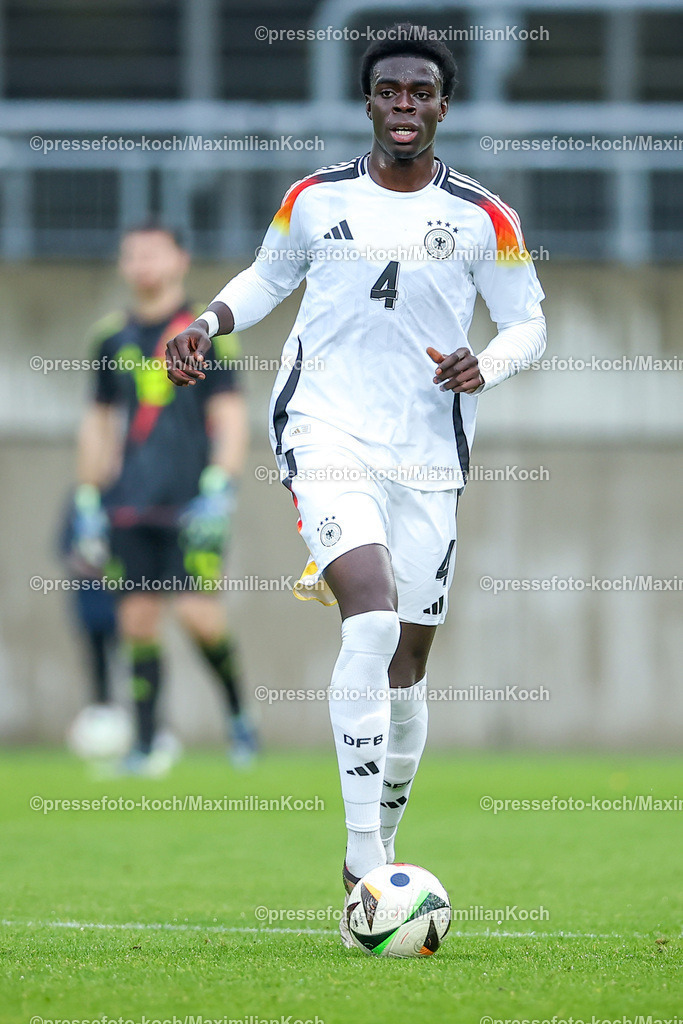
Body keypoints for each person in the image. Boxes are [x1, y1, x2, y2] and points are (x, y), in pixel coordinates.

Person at [165, 27, 546, 942]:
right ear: (367, 102)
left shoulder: (484, 218)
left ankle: (385, 841)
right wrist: (208, 320)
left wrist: (482, 366)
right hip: (324, 431)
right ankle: (363, 859)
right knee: (368, 619)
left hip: (427, 457)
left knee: (407, 670)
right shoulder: (313, 199)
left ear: (442, 107)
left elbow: (527, 323)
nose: (404, 105)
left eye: (421, 92)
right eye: (389, 91)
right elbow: (266, 279)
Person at [76, 223, 257, 773]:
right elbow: (100, 422)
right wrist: (88, 498)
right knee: (136, 621)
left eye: (152, 253)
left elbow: (228, 412)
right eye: (131, 255)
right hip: (128, 503)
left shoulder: (205, 331)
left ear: (180, 258)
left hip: (191, 502)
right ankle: (147, 743)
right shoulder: (110, 337)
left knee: (200, 617)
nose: (141, 264)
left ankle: (237, 718)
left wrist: (220, 484)